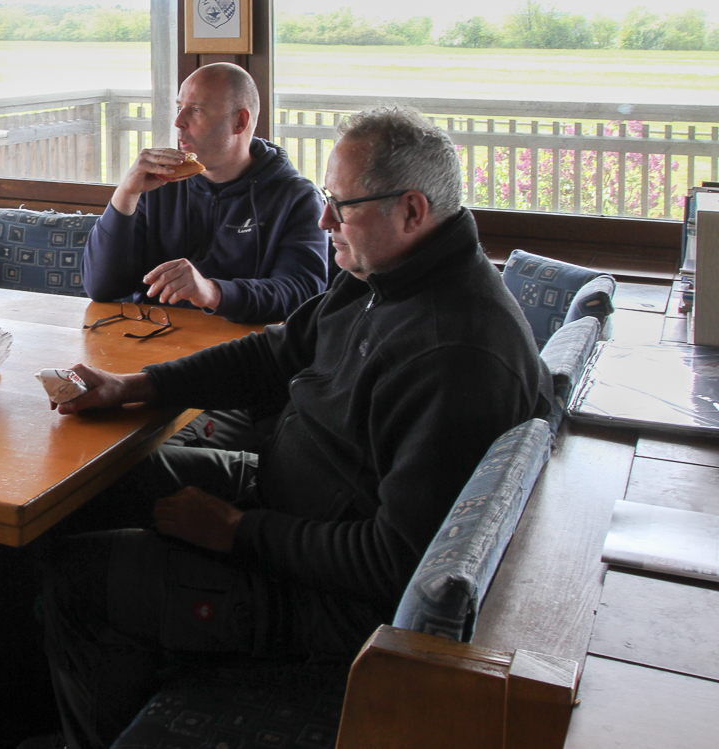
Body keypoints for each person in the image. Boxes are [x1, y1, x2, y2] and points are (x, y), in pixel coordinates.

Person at [39, 108, 551, 749]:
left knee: (76, 579)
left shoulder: (457, 354)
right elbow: (273, 353)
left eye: (342, 205)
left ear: (412, 210)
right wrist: (132, 386)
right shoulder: (382, 276)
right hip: (283, 502)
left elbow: (394, 561)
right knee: (97, 484)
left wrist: (236, 532)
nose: (324, 220)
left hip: (330, 602)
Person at [82, 63, 328, 325]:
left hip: (243, 344)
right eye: (180, 107)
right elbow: (100, 288)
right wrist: (126, 194)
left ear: (240, 121)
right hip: (152, 337)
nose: (178, 122)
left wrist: (213, 293)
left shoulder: (296, 197)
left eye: (196, 109)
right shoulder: (159, 183)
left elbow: (302, 293)